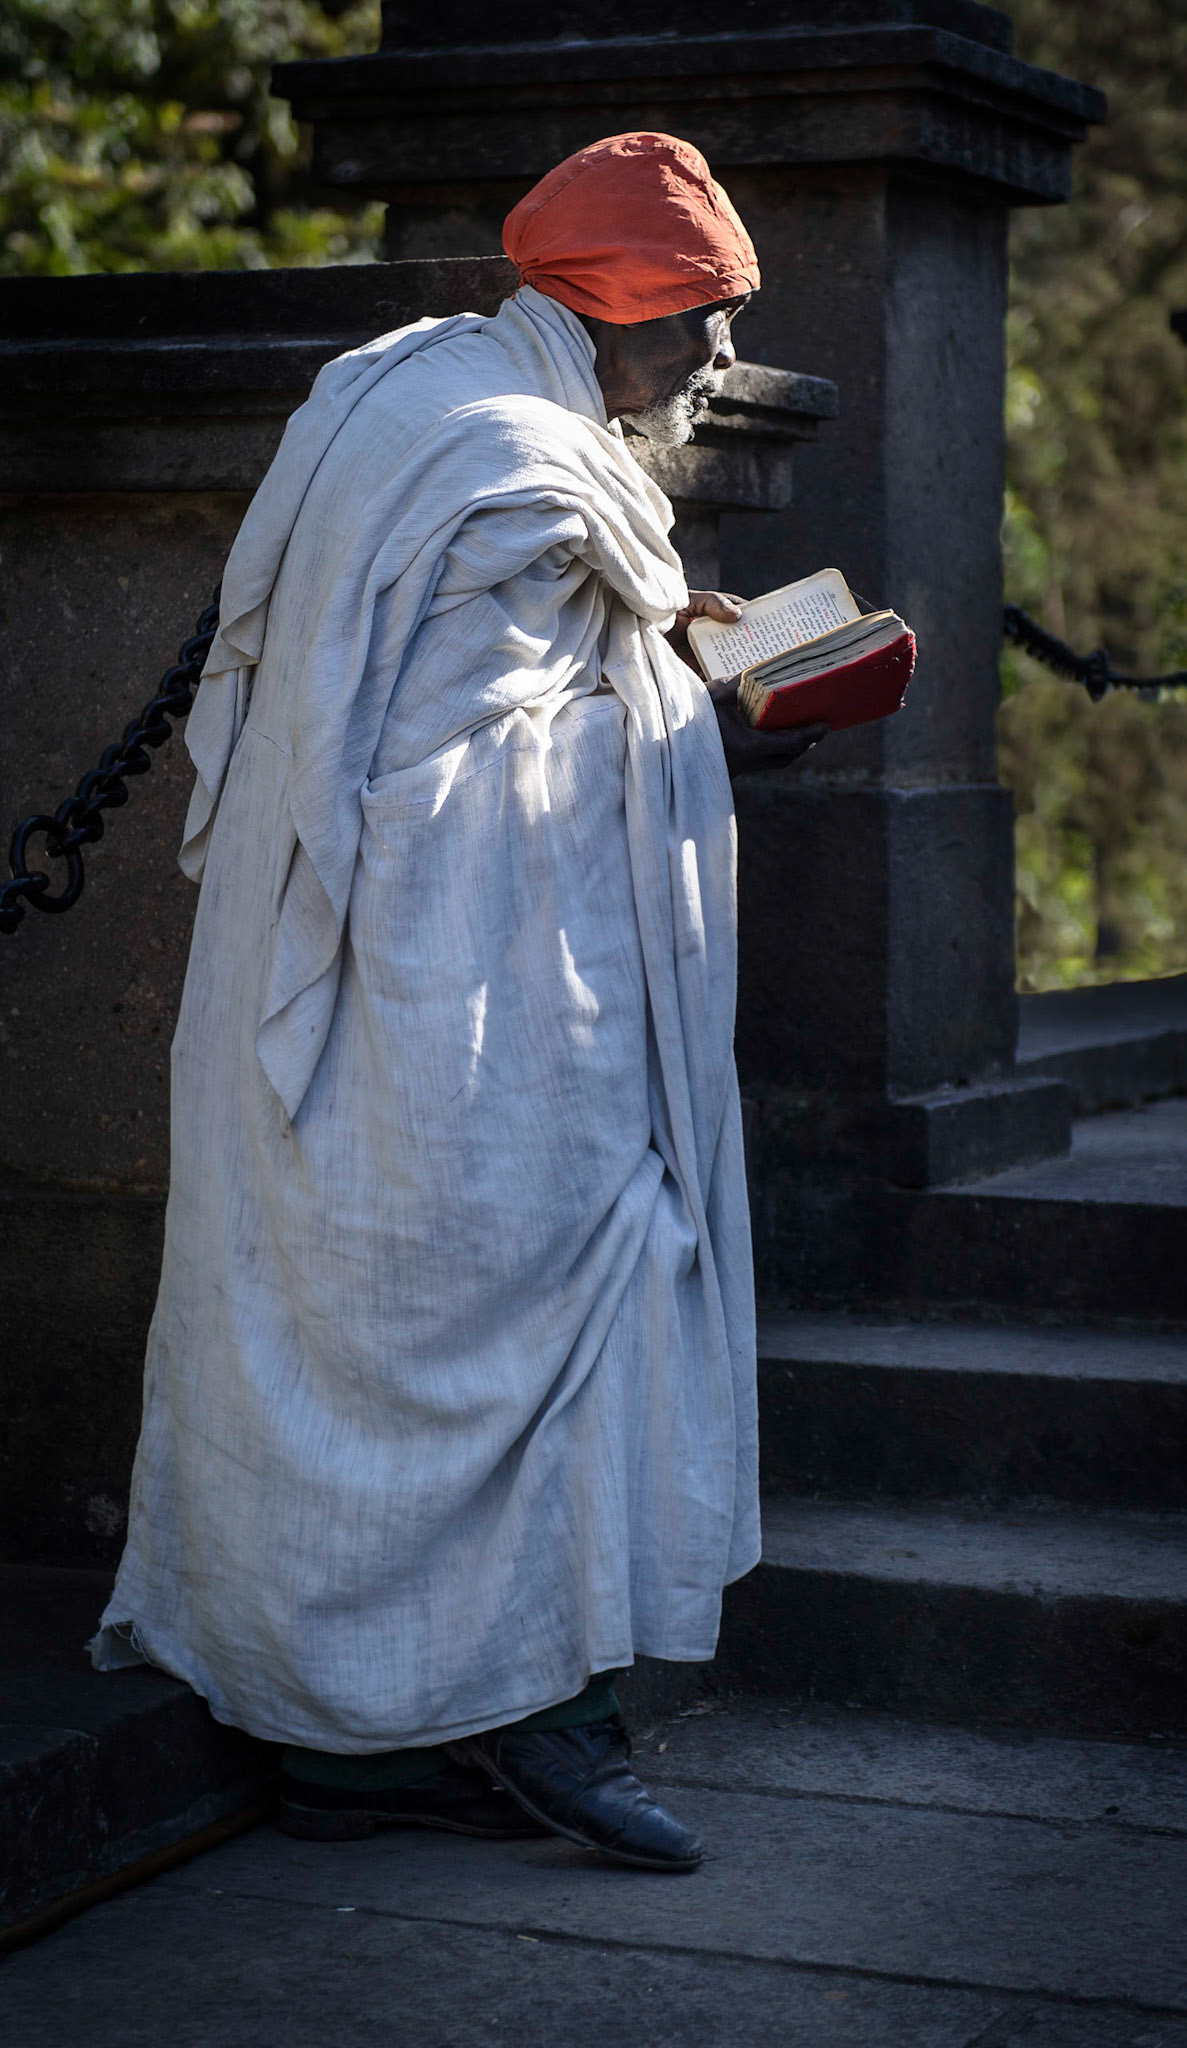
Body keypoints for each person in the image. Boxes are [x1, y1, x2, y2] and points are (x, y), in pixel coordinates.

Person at [90, 132, 823, 1874]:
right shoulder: (514, 459)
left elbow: (444, 681)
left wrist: (654, 637)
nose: (720, 359)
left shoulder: (403, 387)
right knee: (529, 1291)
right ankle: (519, 1721)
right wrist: (688, 693)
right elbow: (448, 769)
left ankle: (370, 1752)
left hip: (380, 969)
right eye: (701, 320)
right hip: (453, 996)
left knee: (395, 1320)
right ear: (612, 310)